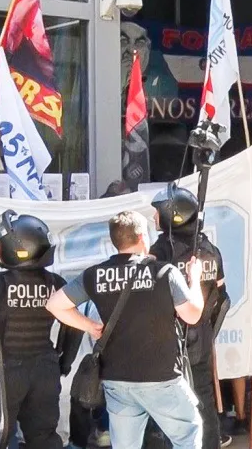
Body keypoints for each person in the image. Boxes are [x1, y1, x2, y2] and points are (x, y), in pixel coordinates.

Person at [47, 211, 205, 449]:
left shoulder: (95, 274)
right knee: (188, 436)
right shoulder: (164, 272)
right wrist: (195, 280)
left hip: (117, 381)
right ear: (142, 237)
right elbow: (192, 315)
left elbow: (55, 305)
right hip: (161, 378)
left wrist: (89, 326)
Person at [0, 211, 78, 449]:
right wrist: (63, 362)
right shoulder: (56, 283)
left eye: (0, 244)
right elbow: (74, 327)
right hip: (45, 371)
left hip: (3, 374)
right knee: (44, 437)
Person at [149, 185, 230, 449]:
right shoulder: (210, 249)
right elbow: (222, 297)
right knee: (203, 398)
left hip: (170, 338)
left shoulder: (160, 251)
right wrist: (205, 325)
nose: (154, 218)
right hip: (202, 335)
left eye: (157, 212)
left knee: (167, 403)